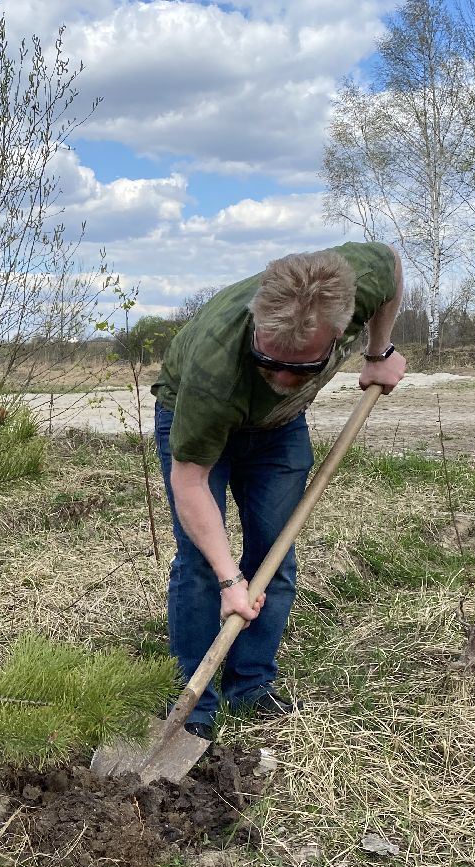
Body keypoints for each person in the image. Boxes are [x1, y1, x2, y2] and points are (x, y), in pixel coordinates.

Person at [152, 243, 407, 739]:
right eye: (270, 363)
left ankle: (251, 686)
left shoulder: (364, 277)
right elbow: (191, 483)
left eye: (303, 369)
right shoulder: (214, 369)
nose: (284, 378)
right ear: (256, 326)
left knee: (275, 553)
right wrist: (231, 583)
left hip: (280, 430)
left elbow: (393, 267)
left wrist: (379, 352)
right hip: (198, 418)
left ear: (338, 332)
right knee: (202, 562)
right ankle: (194, 705)